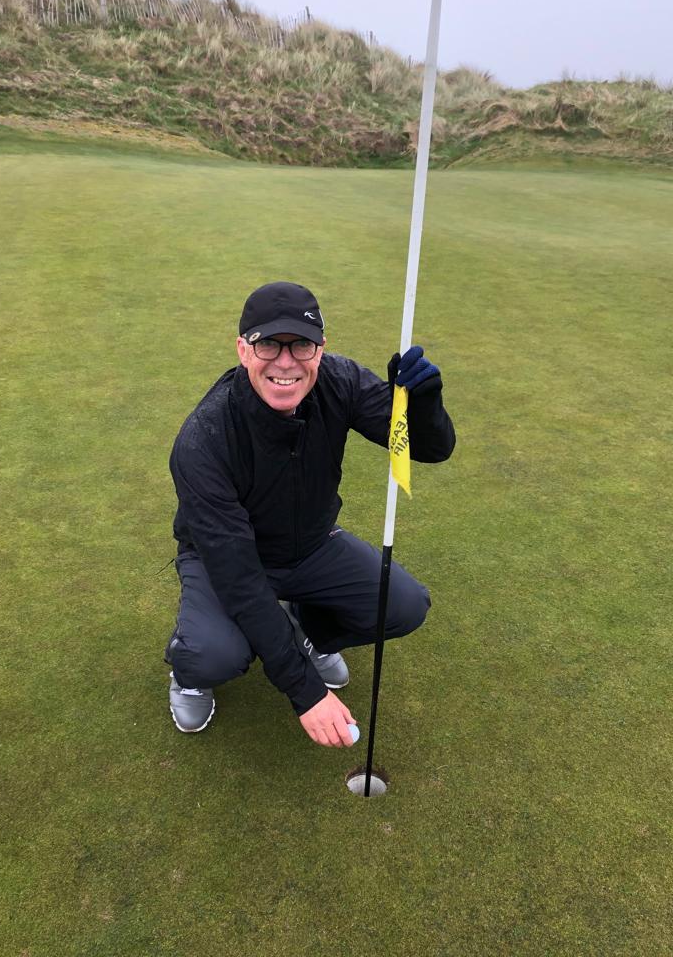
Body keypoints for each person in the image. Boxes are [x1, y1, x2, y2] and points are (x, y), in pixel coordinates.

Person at [165, 280, 455, 748]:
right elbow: (240, 578)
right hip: (227, 562)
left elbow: (431, 448)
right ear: (243, 350)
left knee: (403, 606)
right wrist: (306, 692)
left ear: (321, 348)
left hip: (312, 546)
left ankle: (308, 631)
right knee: (214, 654)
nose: (286, 362)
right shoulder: (204, 439)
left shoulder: (342, 381)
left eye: (301, 344)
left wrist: (423, 404)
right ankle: (189, 674)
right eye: (268, 345)